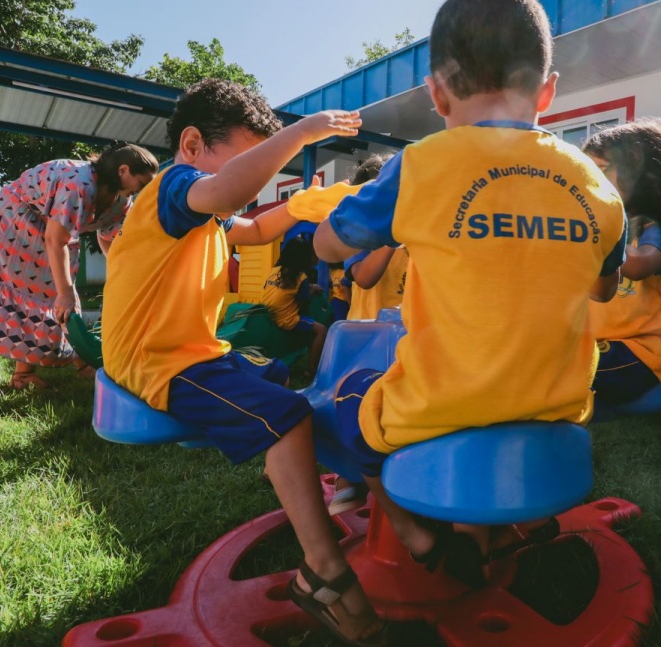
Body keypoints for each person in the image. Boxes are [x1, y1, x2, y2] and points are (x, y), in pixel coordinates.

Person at [310, 0, 627, 587]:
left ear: (436, 94)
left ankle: (416, 534)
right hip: (557, 410)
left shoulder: (421, 166)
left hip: (442, 409)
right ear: (548, 91)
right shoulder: (598, 186)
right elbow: (603, 289)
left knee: (335, 403)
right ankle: (487, 533)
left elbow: (329, 246)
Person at [98, 79, 381, 646]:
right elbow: (229, 195)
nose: (255, 173)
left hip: (195, 350)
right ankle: (322, 567)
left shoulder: (203, 207)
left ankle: (328, 480)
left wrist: (307, 206)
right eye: (249, 154)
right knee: (287, 416)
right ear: (194, 143)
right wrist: (303, 132)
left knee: (295, 394)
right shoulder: (174, 186)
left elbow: (250, 230)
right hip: (159, 360)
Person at [0, 143, 158, 389]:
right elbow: (55, 239)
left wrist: (119, 275)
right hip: (12, 218)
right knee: (46, 291)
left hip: (50, 230)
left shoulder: (121, 201)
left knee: (61, 289)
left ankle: (83, 364)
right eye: (144, 183)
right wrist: (65, 292)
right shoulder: (79, 185)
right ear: (123, 171)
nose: (146, 191)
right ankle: (24, 374)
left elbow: (107, 235)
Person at [582, 119, 661, 405]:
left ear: (639, 174)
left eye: (601, 170)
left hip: (638, 353)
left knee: (557, 371)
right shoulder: (602, 225)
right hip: (595, 344)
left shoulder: (657, 230)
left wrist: (587, 235)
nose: (589, 180)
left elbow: (639, 264)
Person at [343, 156, 409, 321]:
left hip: (405, 332)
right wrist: (392, 233)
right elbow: (364, 278)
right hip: (367, 333)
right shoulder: (358, 233)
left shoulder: (413, 231)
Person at [261, 236, 327, 380]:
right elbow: (303, 301)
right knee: (321, 330)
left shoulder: (275, 270)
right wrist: (312, 289)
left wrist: (310, 287)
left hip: (267, 314)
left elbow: (284, 290)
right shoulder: (301, 277)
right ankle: (310, 369)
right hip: (286, 319)